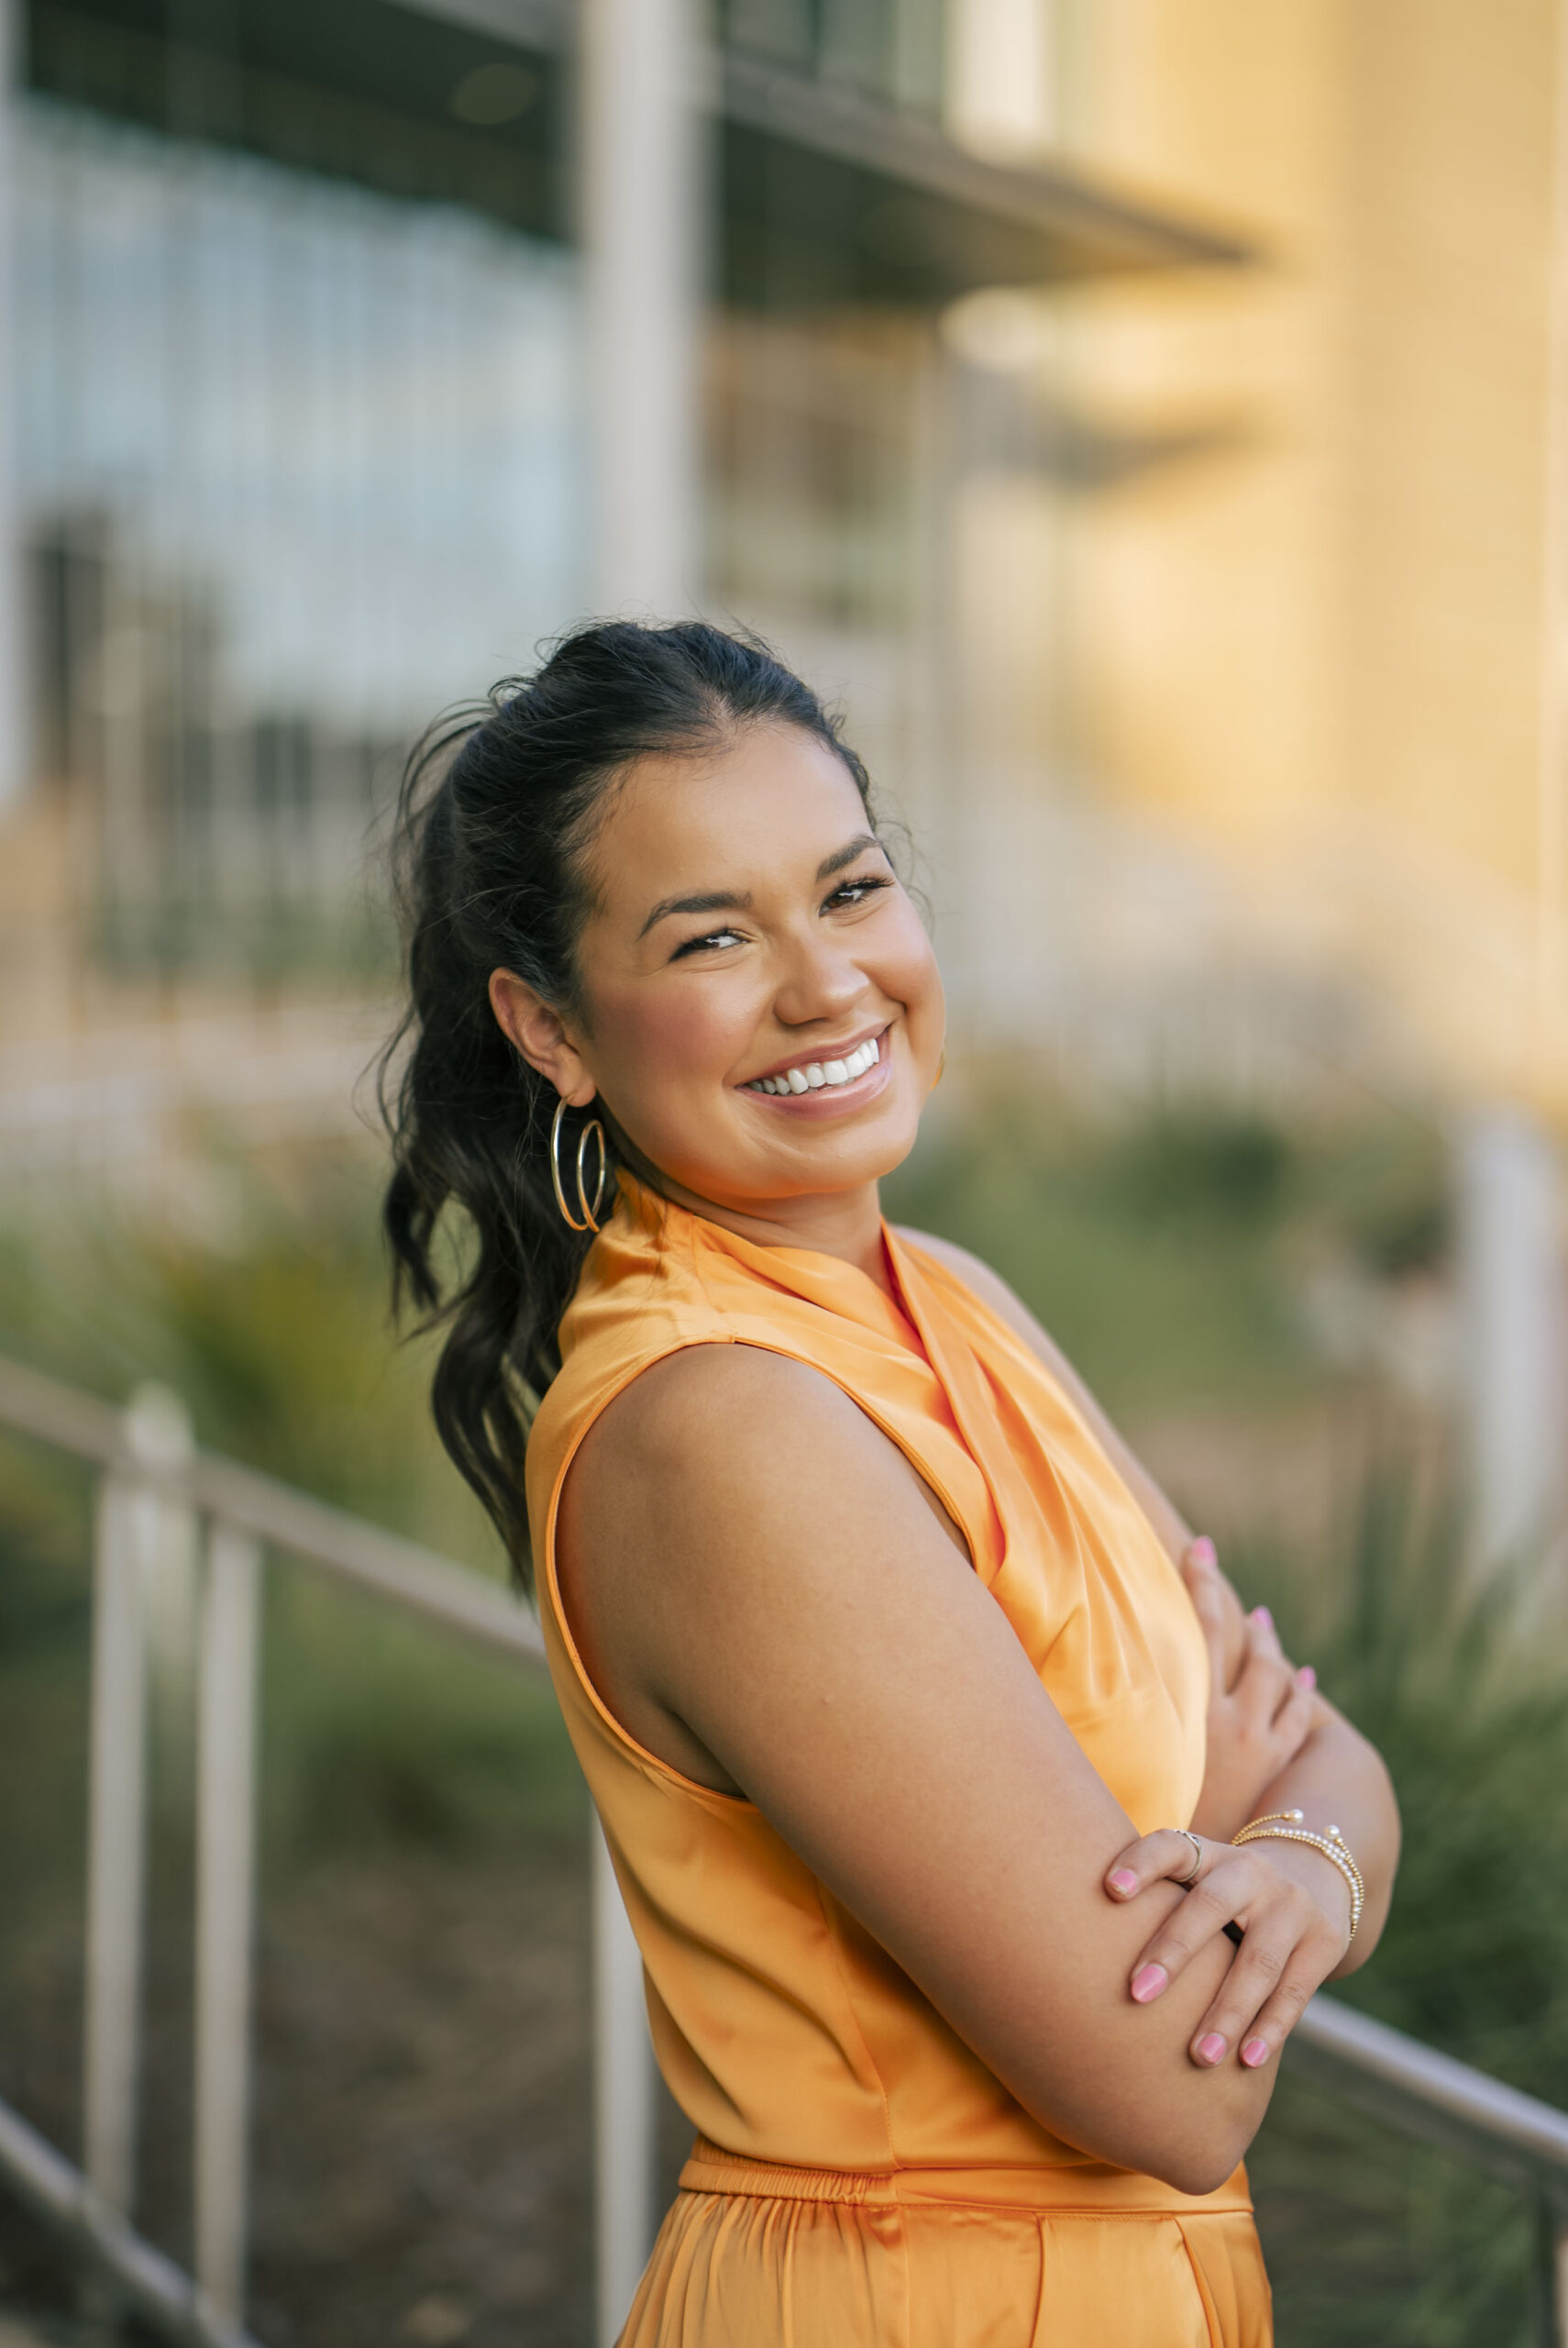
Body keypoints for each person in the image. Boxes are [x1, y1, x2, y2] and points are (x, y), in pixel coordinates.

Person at [381, 620, 1399, 2348]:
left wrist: (1289, 1853)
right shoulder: (723, 1425)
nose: (824, 983)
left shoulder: (948, 1294)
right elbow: (1169, 2089)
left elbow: (1328, 1757)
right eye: (711, 934)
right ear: (550, 1029)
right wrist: (1264, 1815)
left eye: (849, 892)